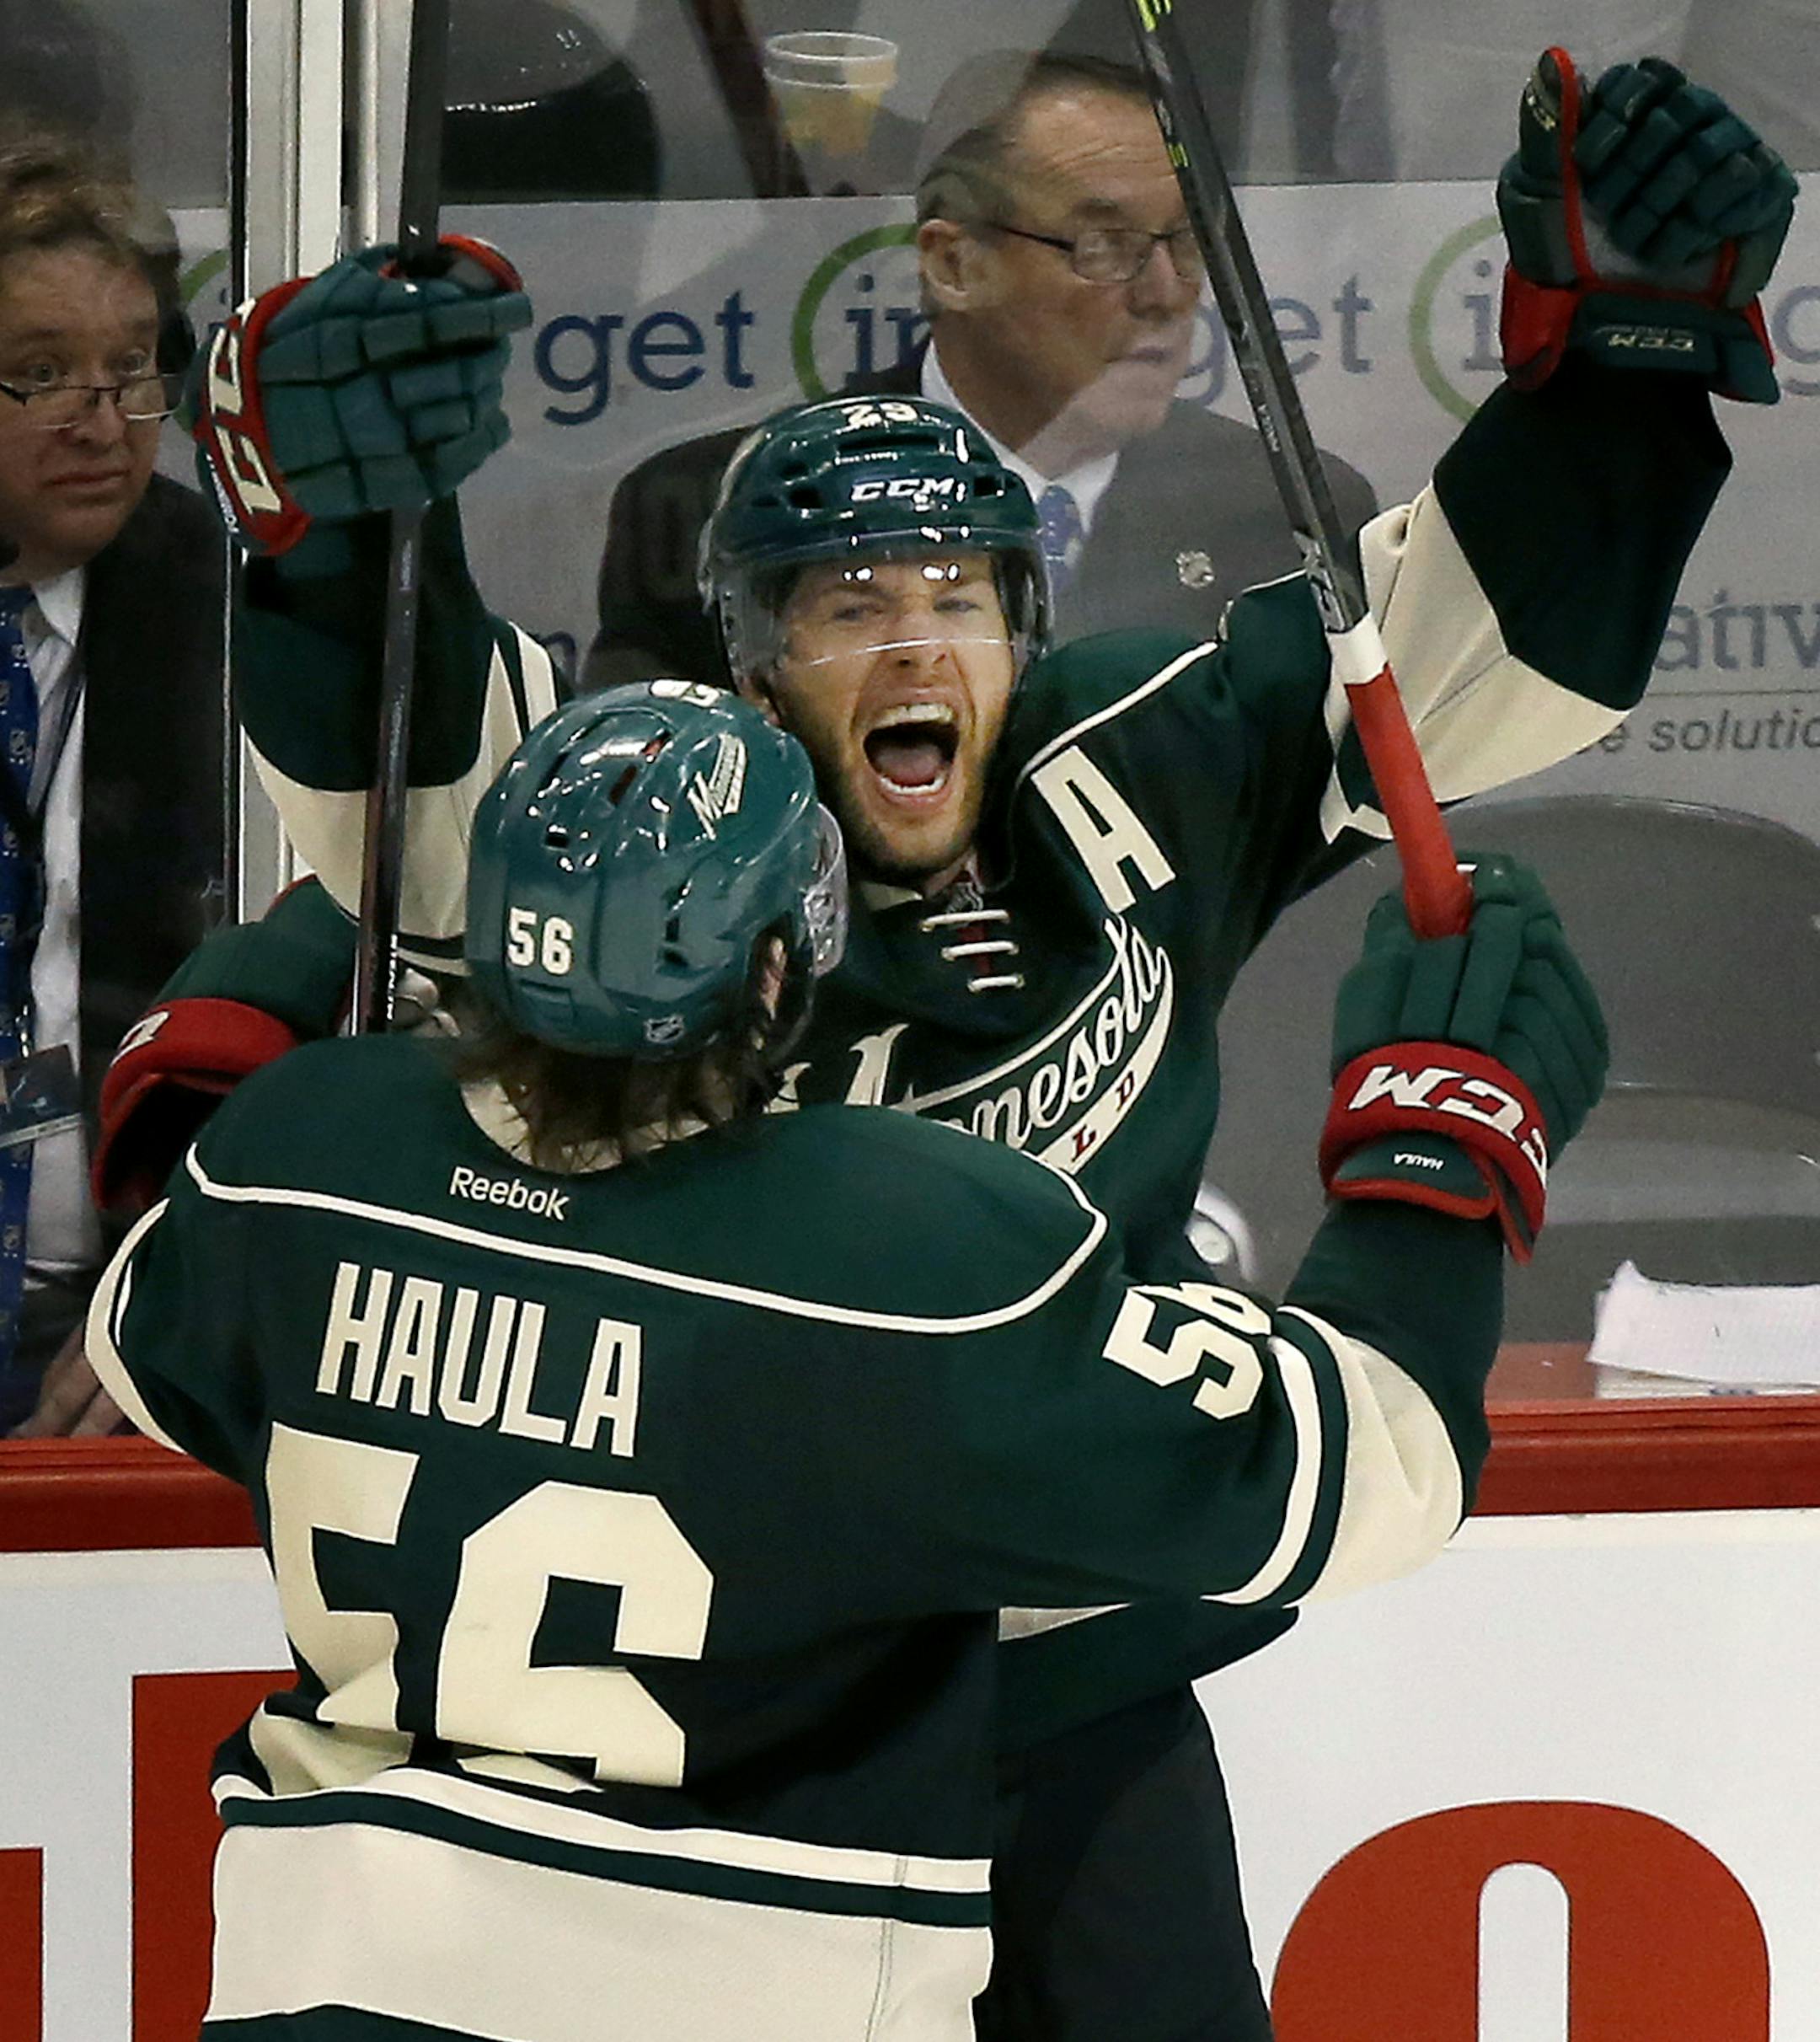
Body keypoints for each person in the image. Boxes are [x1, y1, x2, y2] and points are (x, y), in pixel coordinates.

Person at [127, 44, 1793, 2042]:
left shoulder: (1133, 761)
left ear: (1026, 627)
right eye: (849, 606)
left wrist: (1620, 373)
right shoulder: (672, 864)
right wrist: (331, 557)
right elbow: (427, 829)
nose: (918, 643)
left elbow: (1457, 650)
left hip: (1076, 1683)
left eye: (958, 599)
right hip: (768, 1725)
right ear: (750, 659)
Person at [85, 677, 1605, 2040]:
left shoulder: (298, 1156)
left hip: (322, 1983)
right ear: (772, 970)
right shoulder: (909, 1262)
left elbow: (152, 1349)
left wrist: (261, 1028)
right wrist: (1436, 1137)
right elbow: (1377, 1460)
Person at [587, 50, 1379, 691]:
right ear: (956, 265)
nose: (1167, 293)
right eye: (1103, 246)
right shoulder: (710, 511)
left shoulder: (1292, 518)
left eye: (1186, 240)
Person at [0, 125, 222, 1434]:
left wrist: (173, 1291)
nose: (101, 422)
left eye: (131, 371)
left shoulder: (229, 608)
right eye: (41, 375)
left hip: (130, 1313)